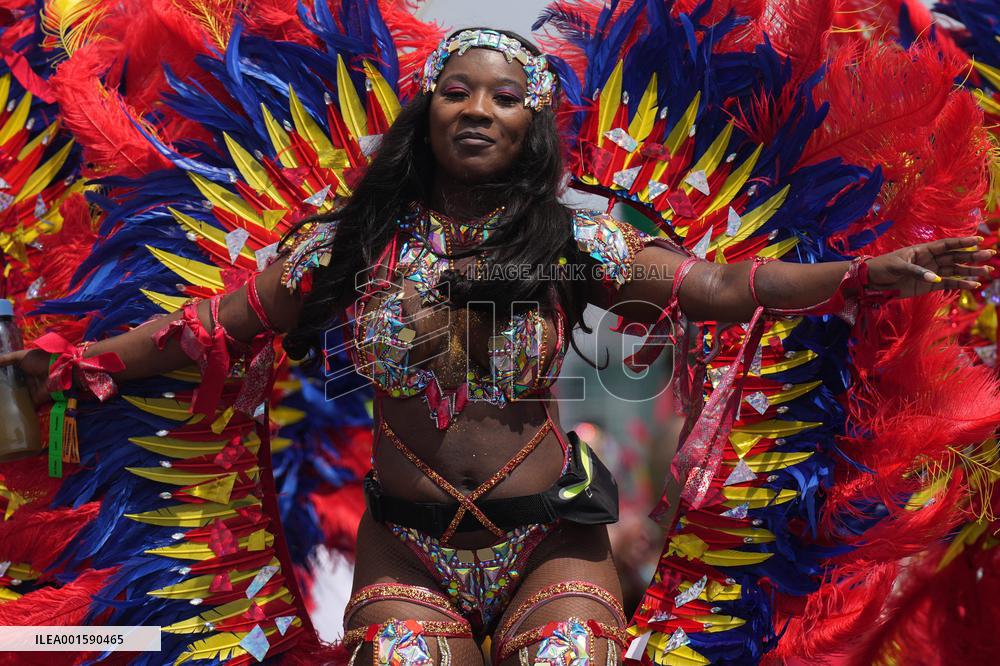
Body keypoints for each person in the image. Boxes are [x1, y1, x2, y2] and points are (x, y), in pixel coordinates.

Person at [0, 27, 992, 666]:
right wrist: (82, 365)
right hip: (406, 555)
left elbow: (724, 288)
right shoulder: (346, 247)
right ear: (426, 112)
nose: (477, 110)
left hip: (551, 548)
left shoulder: (578, 242)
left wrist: (866, 273)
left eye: (505, 97)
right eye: (457, 92)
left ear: (533, 124)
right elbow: (208, 330)